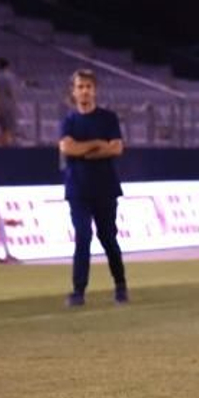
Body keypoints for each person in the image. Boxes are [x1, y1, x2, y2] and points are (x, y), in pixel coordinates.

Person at [59, 69, 128, 304]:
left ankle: (120, 285)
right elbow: (67, 149)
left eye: (88, 86)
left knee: (108, 236)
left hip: (105, 187)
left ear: (95, 90)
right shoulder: (69, 120)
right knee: (83, 236)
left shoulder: (108, 118)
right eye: (80, 87)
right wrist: (98, 145)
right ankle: (78, 290)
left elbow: (117, 148)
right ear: (73, 91)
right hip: (78, 189)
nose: (85, 91)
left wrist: (84, 149)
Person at [0, 57, 20, 145]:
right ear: (8, 66)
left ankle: (1, 144)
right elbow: (11, 92)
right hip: (8, 106)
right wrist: (15, 102)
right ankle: (1, 145)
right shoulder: (10, 76)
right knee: (9, 129)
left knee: (2, 128)